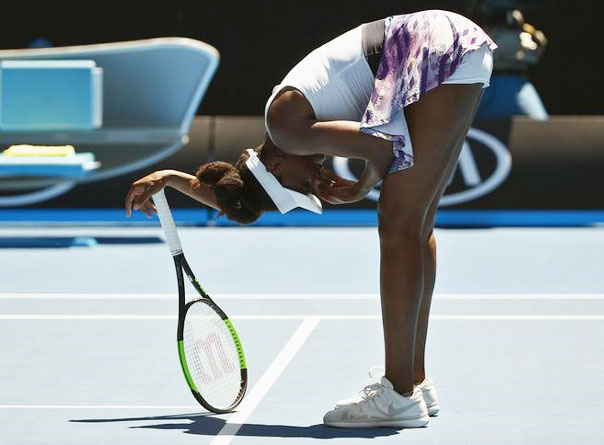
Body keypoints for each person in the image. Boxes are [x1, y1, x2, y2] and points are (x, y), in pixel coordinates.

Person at [126, 9, 496, 428]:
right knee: (415, 224)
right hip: (454, 44)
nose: (313, 184)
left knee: (398, 225)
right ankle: (412, 378)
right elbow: (242, 195)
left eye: (299, 187)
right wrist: (175, 179)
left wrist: (357, 189)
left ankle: (398, 394)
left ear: (278, 168)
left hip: (427, 44)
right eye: (309, 191)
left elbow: (382, 150)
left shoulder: (284, 130)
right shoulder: (285, 136)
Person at [469, 1, 548, 120]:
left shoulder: (519, 24)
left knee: (541, 129)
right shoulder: (476, 18)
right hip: (481, 83)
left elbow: (533, 51)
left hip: (515, 81)